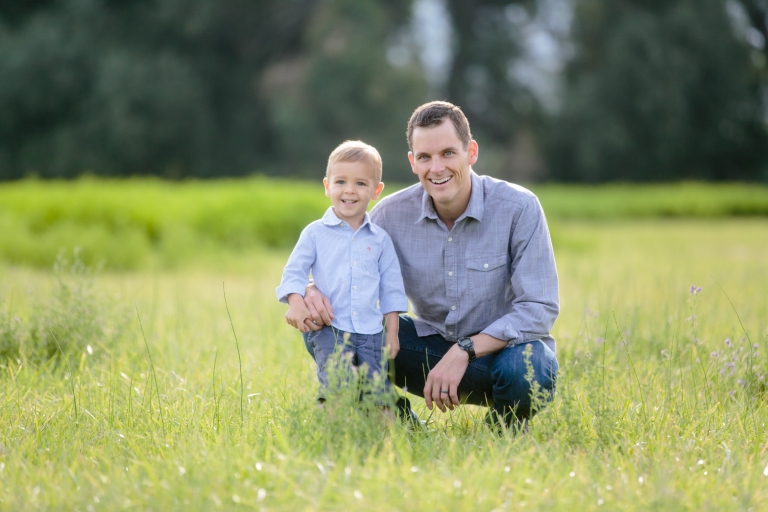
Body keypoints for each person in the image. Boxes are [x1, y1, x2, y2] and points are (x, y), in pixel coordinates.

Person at [302, 101, 559, 430]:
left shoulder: (519, 208)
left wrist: (464, 350)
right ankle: (397, 422)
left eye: (448, 153)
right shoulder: (391, 215)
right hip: (424, 350)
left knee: (531, 367)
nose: (436, 168)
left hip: (500, 358)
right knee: (325, 322)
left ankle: (502, 434)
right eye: (425, 157)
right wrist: (311, 291)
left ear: (471, 152)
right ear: (412, 161)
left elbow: (539, 308)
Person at [276, 140, 408, 404]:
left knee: (377, 392)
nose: (350, 190)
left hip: (371, 331)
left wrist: (391, 333)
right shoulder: (315, 233)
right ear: (327, 186)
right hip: (330, 329)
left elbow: (392, 289)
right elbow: (294, 272)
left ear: (376, 190)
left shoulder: (380, 240)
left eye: (361, 183)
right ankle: (336, 435)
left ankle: (386, 441)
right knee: (337, 384)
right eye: (340, 182)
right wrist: (295, 303)